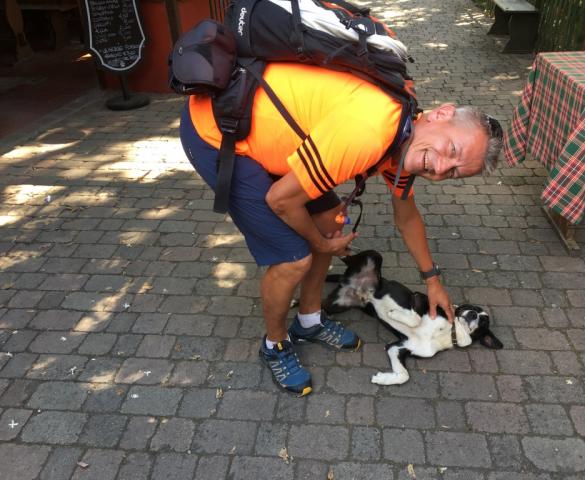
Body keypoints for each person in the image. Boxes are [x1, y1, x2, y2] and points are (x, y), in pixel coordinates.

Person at [179, 62, 503, 396]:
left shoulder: (408, 138)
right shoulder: (372, 132)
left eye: (454, 172)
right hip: (219, 131)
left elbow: (406, 216)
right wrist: (321, 244)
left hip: (274, 136)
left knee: (330, 222)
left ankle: (309, 321)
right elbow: (280, 201)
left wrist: (432, 281)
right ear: (441, 114)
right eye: (452, 150)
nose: (440, 168)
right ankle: (275, 345)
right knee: (294, 259)